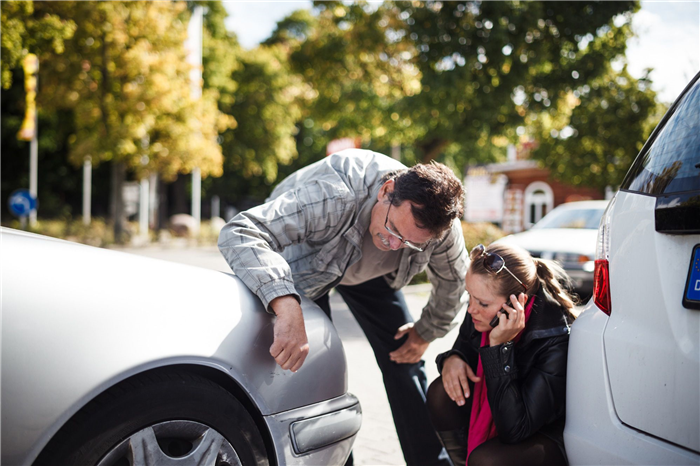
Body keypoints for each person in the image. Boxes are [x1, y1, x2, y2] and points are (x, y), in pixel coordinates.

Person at [218, 149, 468, 466]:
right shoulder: (333, 195)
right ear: (385, 191)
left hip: (374, 275)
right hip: (309, 264)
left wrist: (426, 332)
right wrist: (285, 302)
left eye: (409, 242)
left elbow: (454, 282)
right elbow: (240, 231)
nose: (394, 244)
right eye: (393, 229)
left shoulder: (441, 227)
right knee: (313, 369)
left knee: (406, 358)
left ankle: (432, 462)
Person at [427, 242, 577, 466]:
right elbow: (464, 347)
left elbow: (515, 429)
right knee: (441, 392)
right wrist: (452, 358)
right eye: (470, 296)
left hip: (547, 433)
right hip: (505, 414)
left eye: (483, 303)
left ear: (517, 301)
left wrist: (499, 347)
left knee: (486, 461)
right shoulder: (484, 313)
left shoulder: (554, 339)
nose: (471, 309)